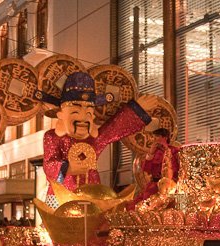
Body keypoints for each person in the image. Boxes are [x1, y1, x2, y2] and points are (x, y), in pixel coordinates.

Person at [42, 71, 156, 207]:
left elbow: (114, 127)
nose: (83, 119)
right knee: (59, 225)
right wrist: (67, 167)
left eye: (88, 113)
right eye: (75, 112)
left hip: (93, 195)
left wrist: (137, 109)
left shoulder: (94, 140)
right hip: (60, 197)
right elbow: (48, 164)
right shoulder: (52, 137)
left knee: (95, 224)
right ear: (61, 115)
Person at [131, 128, 180, 206]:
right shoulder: (154, 152)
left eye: (157, 136)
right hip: (155, 185)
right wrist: (151, 153)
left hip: (171, 185)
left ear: (165, 138)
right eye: (153, 137)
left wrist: (167, 150)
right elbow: (146, 169)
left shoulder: (174, 150)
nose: (154, 139)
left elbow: (177, 167)